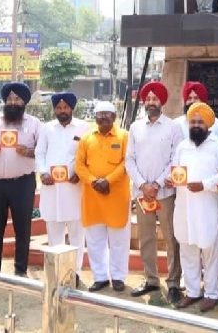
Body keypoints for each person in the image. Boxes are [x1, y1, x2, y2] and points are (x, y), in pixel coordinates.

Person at [0, 82, 41, 280]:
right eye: (10, 99)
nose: (13, 102)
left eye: (17, 99)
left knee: (23, 227)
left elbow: (43, 150)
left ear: (24, 102)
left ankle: (20, 270)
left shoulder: (35, 124)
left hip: (23, 182)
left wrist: (29, 152)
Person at [167, 103, 218, 313]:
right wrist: (171, 180)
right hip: (184, 205)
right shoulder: (182, 146)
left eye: (200, 121)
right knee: (187, 248)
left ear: (208, 124)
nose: (196, 125)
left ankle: (211, 294)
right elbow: (175, 170)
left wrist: (204, 184)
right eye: (192, 121)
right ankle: (193, 291)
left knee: (209, 250)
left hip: (207, 206)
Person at [126, 81, 184, 303]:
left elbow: (175, 159)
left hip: (165, 193)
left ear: (162, 101)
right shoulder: (135, 127)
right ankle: (151, 279)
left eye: (155, 98)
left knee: (171, 237)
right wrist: (143, 185)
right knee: (146, 237)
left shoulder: (173, 127)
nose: (151, 102)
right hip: (142, 194)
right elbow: (129, 160)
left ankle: (174, 282)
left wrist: (157, 184)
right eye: (148, 99)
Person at [75, 101, 131, 292]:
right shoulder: (86, 138)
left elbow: (126, 163)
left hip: (116, 196)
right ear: (95, 117)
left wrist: (108, 181)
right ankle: (100, 277)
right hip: (93, 197)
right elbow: (79, 165)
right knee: (94, 239)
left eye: (108, 114)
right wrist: (94, 182)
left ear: (114, 117)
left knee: (119, 240)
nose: (104, 117)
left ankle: (118, 277)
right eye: (100, 114)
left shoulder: (124, 136)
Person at [35, 92, 90, 283]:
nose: (62, 111)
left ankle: (75, 272)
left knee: (77, 232)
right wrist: (43, 172)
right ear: (54, 110)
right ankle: (56, 272)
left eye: (65, 107)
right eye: (58, 108)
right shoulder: (47, 129)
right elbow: (40, 153)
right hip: (52, 187)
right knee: (54, 231)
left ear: (72, 108)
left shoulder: (83, 127)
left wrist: (80, 174)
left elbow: (88, 155)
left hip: (74, 188)